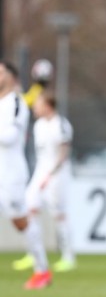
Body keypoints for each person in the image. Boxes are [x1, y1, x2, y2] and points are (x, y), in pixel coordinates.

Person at [0, 60, 52, 290]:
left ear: (11, 77)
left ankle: (42, 270)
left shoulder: (16, 102)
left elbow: (11, 137)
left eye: (1, 72)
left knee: (21, 222)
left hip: (10, 174)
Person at [12, 91, 76, 273]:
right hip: (40, 172)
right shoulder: (38, 125)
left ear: (47, 106)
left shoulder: (61, 124)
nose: (34, 108)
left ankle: (68, 257)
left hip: (57, 174)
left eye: (38, 105)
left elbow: (63, 153)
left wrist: (51, 175)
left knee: (59, 214)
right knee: (29, 208)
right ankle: (33, 253)